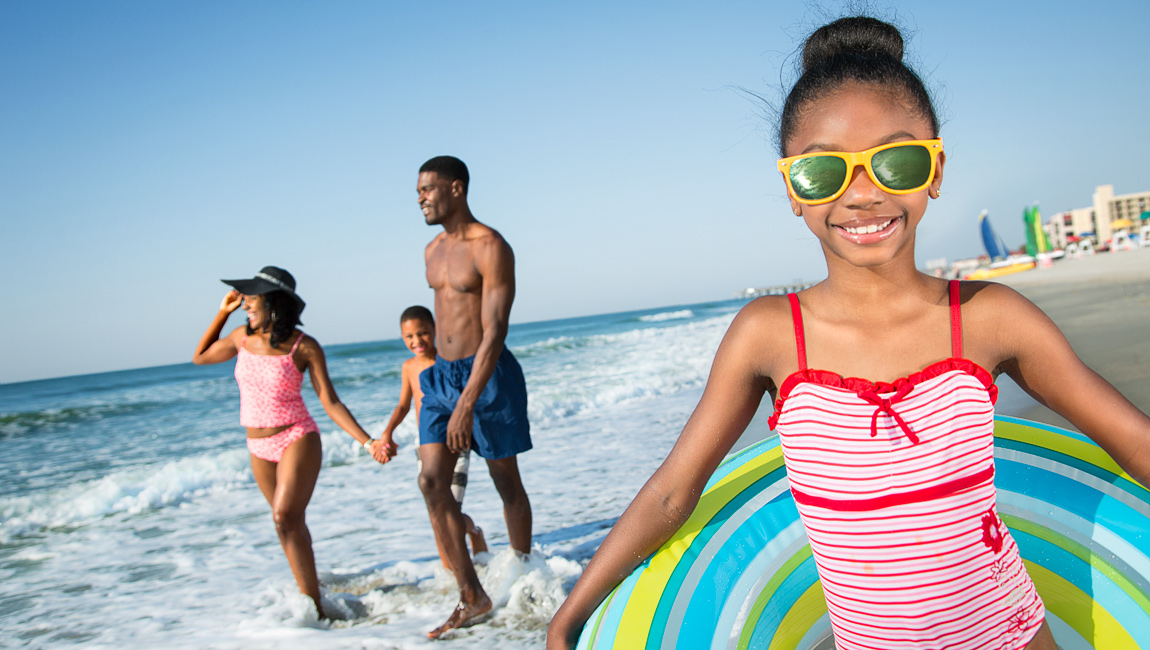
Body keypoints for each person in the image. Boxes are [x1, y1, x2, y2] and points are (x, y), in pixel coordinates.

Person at [548, 17, 1150, 650]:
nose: (862, 194)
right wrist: (569, 618)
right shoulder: (769, 335)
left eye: (895, 161)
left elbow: (1134, 442)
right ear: (792, 191)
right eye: (822, 173)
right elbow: (672, 492)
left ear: (935, 170)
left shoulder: (991, 318)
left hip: (1009, 635)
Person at [192, 265, 396, 618]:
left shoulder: (304, 346)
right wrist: (221, 314)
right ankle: (313, 598)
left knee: (284, 515)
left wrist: (368, 442)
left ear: (273, 302)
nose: (245, 305)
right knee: (288, 524)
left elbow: (330, 402)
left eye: (251, 299)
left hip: (296, 437)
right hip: (257, 446)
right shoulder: (241, 337)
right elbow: (200, 357)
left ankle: (314, 609)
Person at [415, 156, 534, 638]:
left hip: (486, 378)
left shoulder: (491, 246)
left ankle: (527, 575)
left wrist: (468, 400)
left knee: (506, 481)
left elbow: (494, 329)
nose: (421, 198)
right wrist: (447, 389)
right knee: (430, 483)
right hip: (441, 379)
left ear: (456, 188)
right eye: (417, 192)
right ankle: (472, 596)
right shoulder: (431, 250)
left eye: (427, 189)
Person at [377, 305, 488, 569]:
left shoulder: (446, 362)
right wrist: (387, 433)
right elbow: (404, 405)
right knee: (436, 510)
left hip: (455, 440)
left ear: (436, 329)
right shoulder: (409, 367)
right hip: (425, 443)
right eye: (409, 337)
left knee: (451, 508)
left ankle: (473, 532)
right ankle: (451, 572)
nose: (417, 341)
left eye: (423, 333)